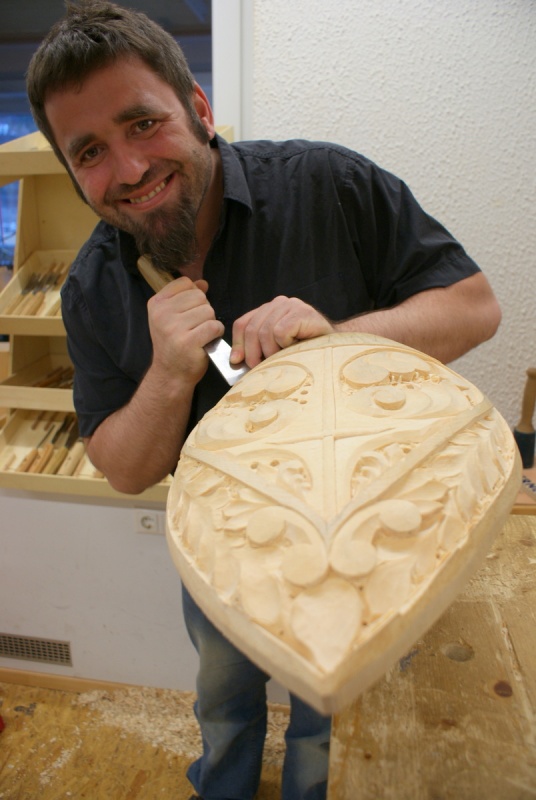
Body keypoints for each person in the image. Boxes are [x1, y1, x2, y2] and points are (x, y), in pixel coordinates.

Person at [26, 3, 501, 798]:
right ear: (74, 173)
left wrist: (339, 340)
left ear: (198, 109)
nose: (130, 168)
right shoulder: (90, 288)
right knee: (222, 700)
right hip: (219, 542)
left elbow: (475, 307)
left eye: (143, 123)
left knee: (330, 716)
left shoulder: (329, 184)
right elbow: (124, 469)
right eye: (91, 152)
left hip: (366, 524)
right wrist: (168, 375)